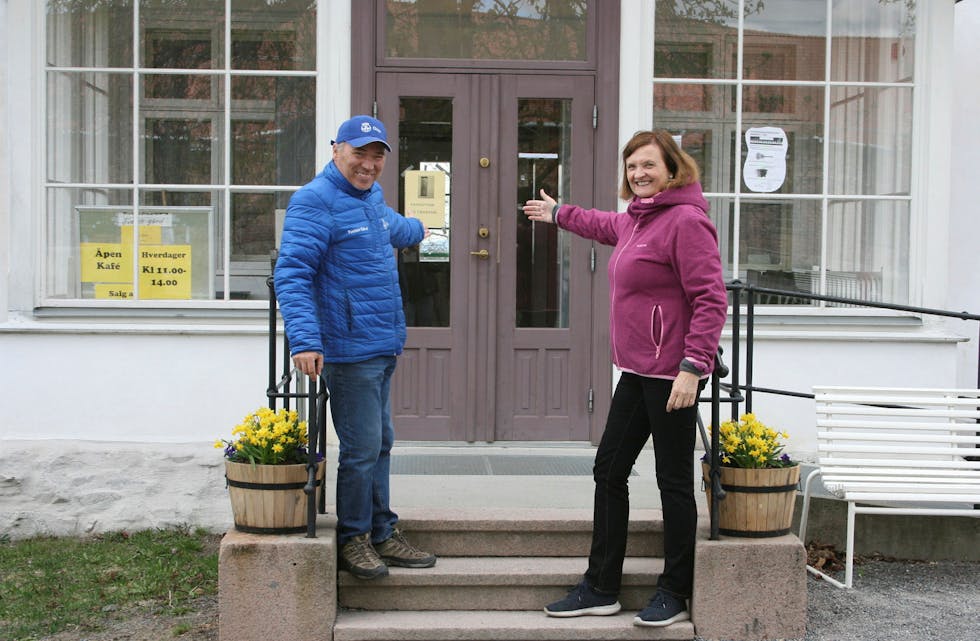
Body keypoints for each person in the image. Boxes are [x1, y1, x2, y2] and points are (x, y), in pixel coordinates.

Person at [523, 130, 728, 627]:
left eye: (648, 165)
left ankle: (675, 592)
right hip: (636, 374)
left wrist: (693, 368)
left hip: (673, 377)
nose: (638, 174)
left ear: (672, 169)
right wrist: (560, 214)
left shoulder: (685, 221)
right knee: (609, 471)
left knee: (673, 482)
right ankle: (600, 588)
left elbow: (711, 299)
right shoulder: (640, 220)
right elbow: (606, 224)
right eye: (632, 166)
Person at [274, 115, 436, 580]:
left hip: (381, 343)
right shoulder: (314, 201)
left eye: (376, 155)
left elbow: (390, 228)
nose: (368, 163)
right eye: (359, 152)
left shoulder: (370, 200)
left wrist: (422, 227)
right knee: (363, 447)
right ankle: (355, 539)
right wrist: (305, 339)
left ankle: (383, 531)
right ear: (335, 150)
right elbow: (293, 274)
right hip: (347, 350)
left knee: (380, 443)